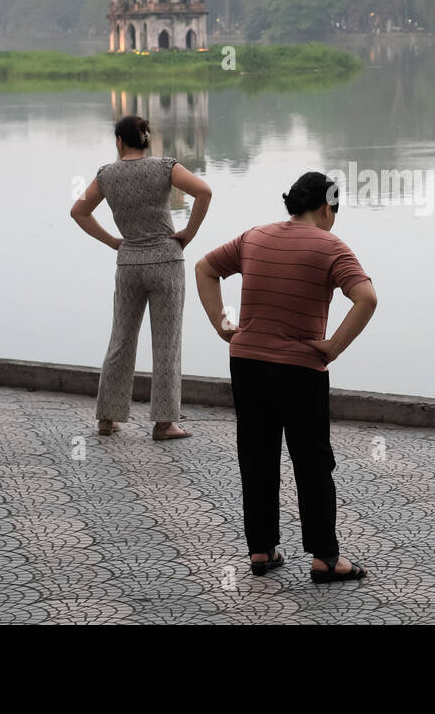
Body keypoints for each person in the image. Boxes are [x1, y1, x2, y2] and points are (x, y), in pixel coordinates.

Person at [195, 172, 377, 582]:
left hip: (247, 362)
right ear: (327, 207)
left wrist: (222, 324)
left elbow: (205, 268)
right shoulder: (331, 246)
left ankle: (262, 551)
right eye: (335, 211)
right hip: (300, 368)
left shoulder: (253, 237)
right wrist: (332, 347)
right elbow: (366, 299)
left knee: (256, 456)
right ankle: (325, 559)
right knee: (312, 460)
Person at [71, 115, 212, 440]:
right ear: (147, 140)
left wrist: (113, 242)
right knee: (167, 342)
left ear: (119, 141)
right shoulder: (165, 167)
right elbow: (204, 192)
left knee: (121, 338)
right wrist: (188, 232)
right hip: (166, 259)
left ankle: (108, 418)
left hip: (129, 262)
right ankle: (164, 423)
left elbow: (78, 211)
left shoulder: (107, 174)